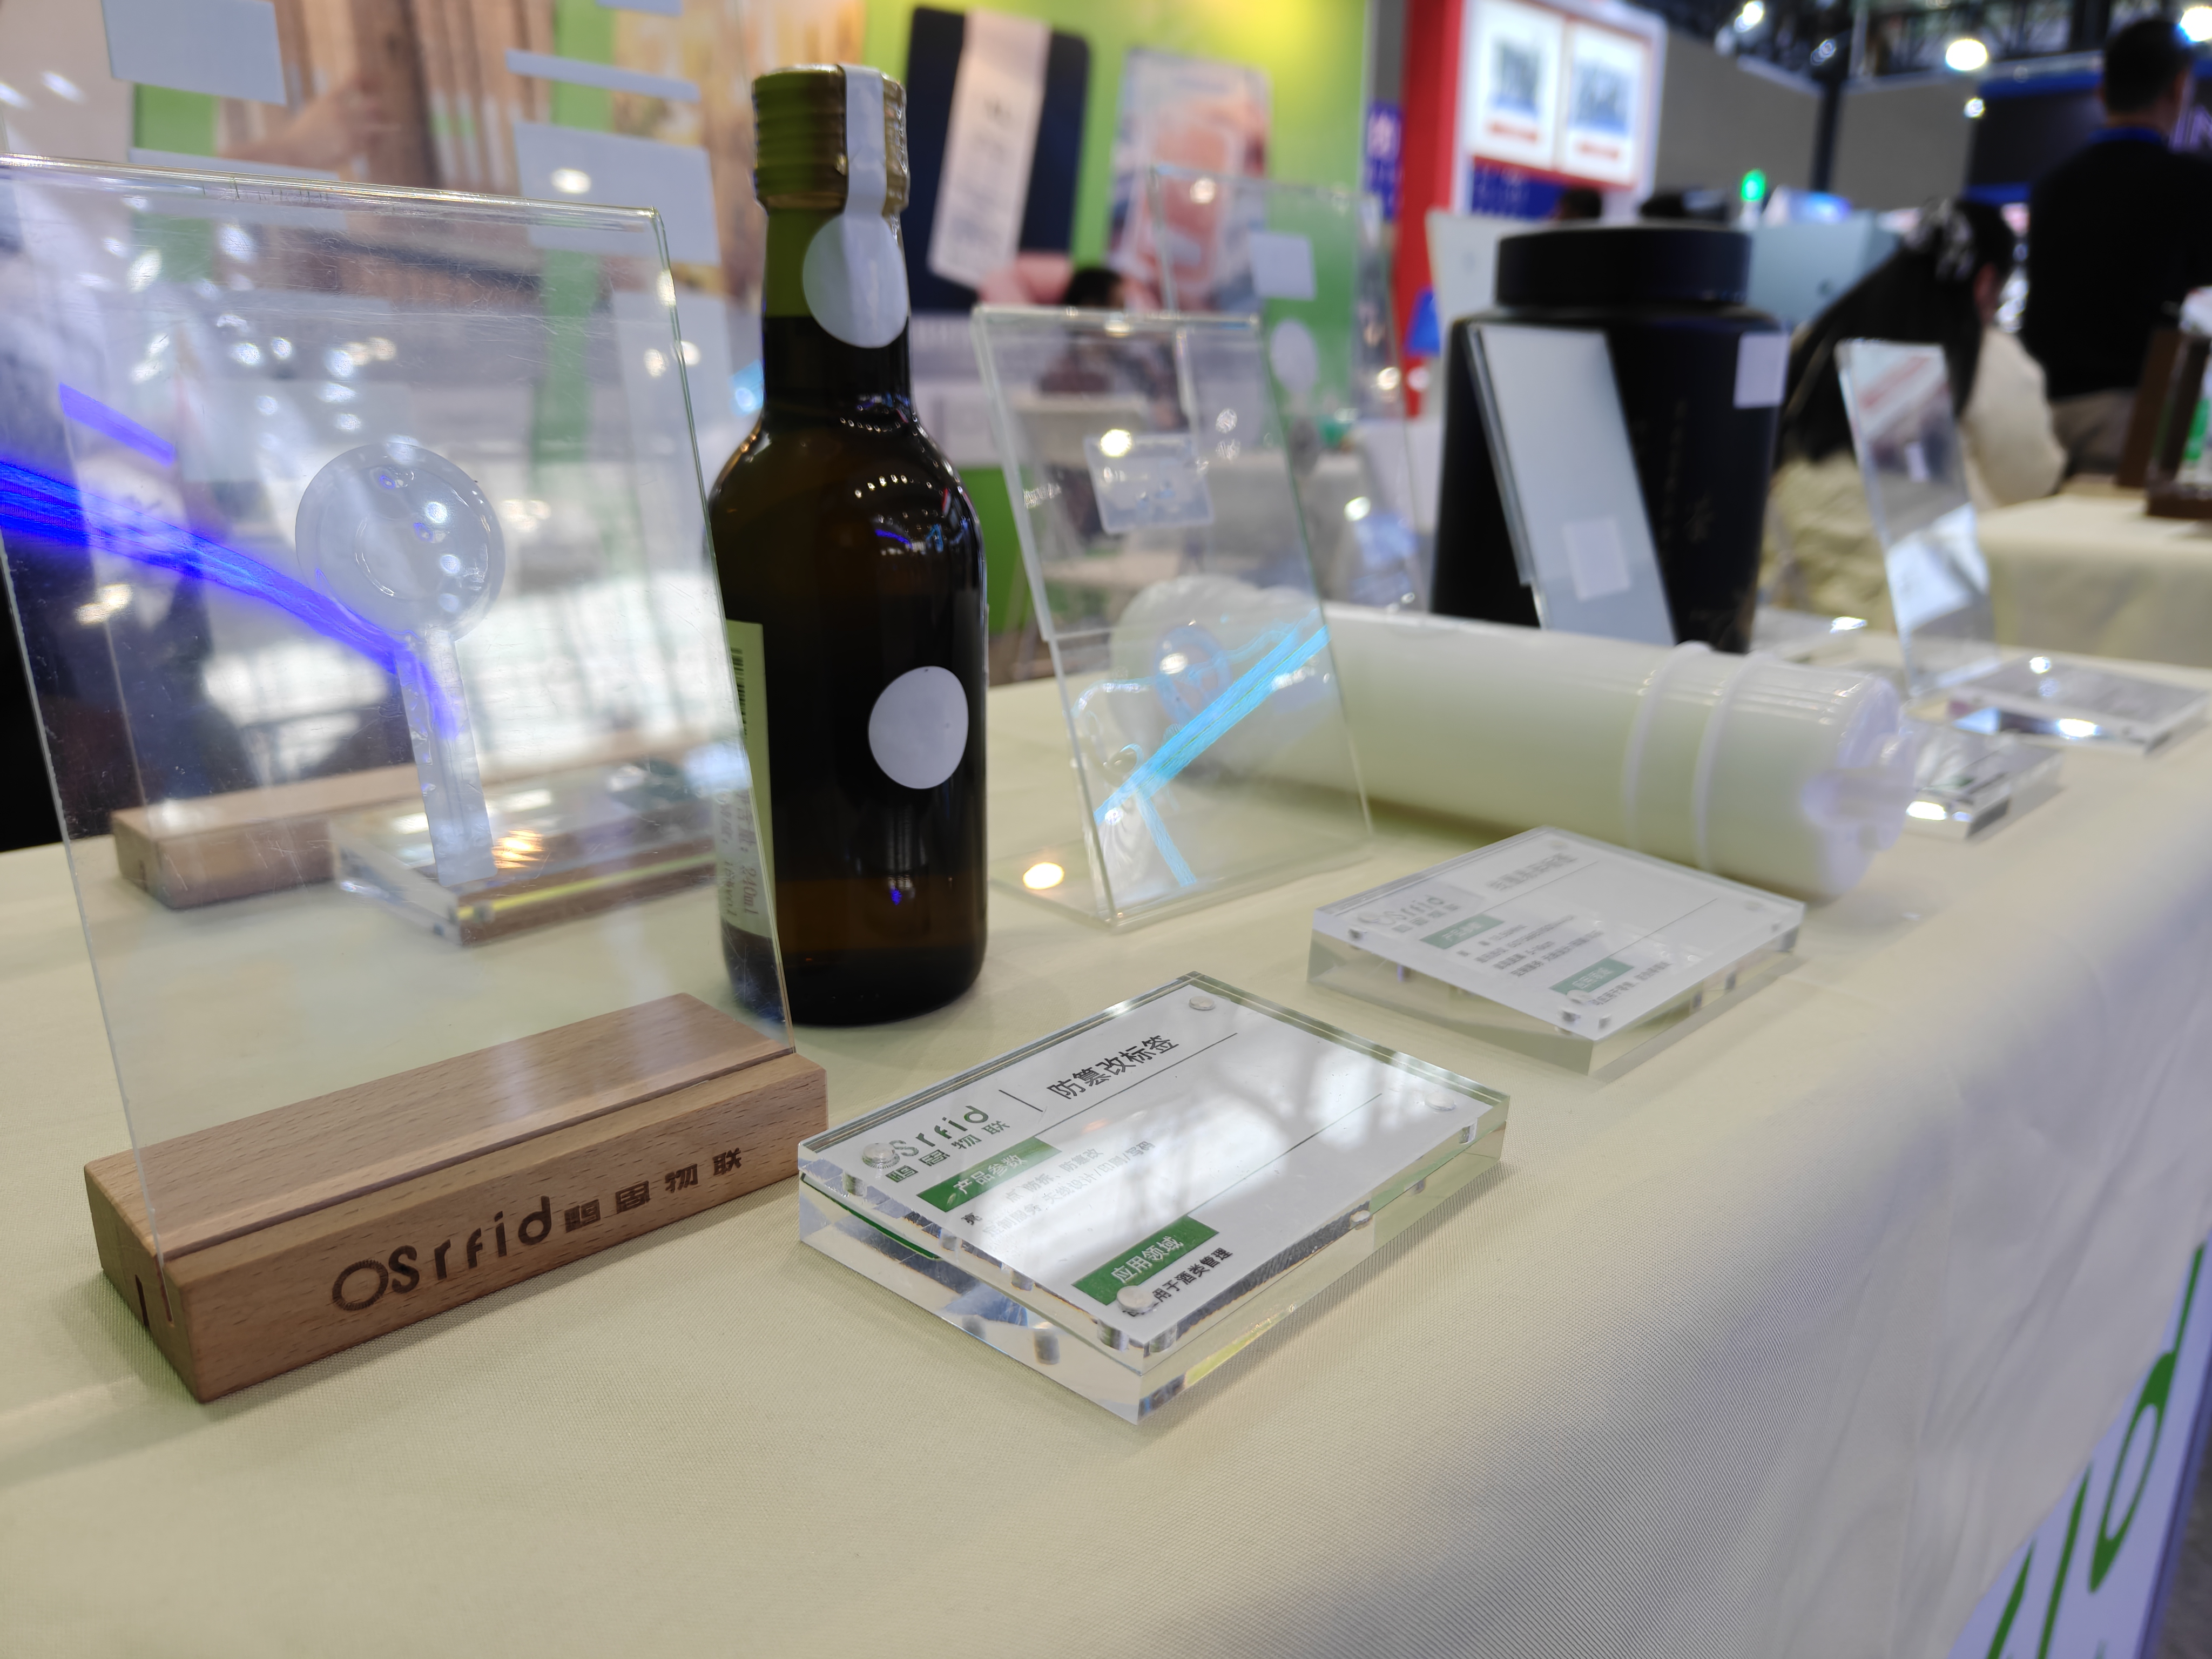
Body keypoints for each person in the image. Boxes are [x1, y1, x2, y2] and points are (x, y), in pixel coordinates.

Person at [1762, 197, 2065, 628]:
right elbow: (2030, 482)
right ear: (1986, 283)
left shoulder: (1818, 338)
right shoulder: (1989, 358)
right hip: (1914, 616)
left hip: (1788, 596)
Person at [2022, 18, 2212, 473]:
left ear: (2102, 91)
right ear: (2180, 88)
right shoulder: (2190, 183)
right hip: (2131, 407)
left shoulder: (2052, 185)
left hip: (2038, 405)